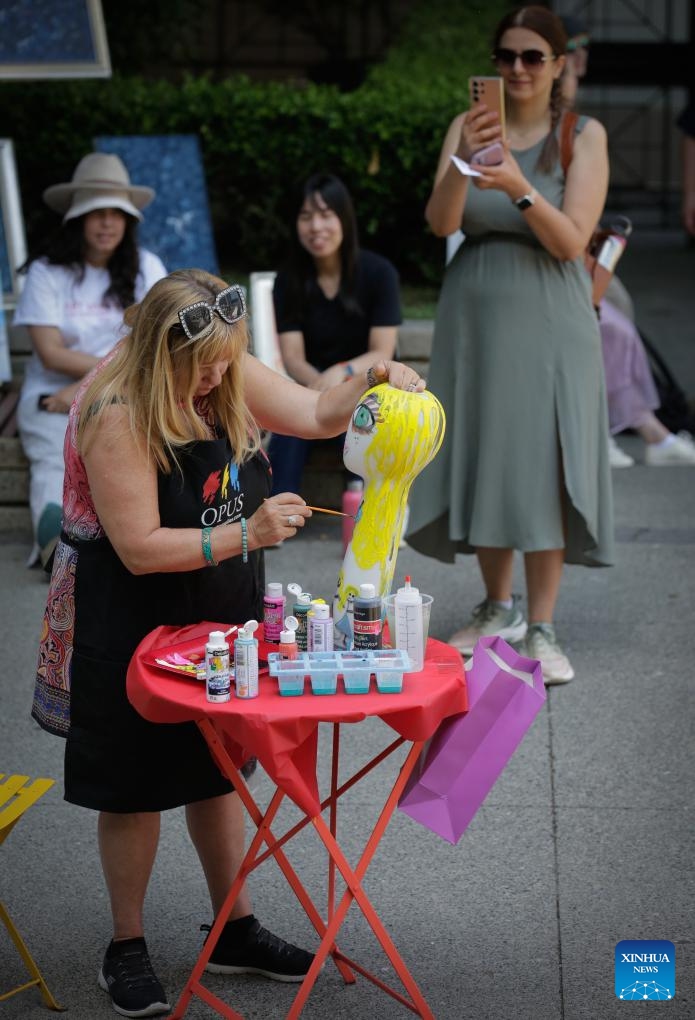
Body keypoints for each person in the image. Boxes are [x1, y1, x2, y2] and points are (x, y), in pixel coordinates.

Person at [31, 267, 424, 1018]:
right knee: (136, 784)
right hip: (128, 603)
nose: (217, 379)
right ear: (157, 355)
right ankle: (127, 945)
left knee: (218, 770)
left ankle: (235, 927)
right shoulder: (116, 407)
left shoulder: (217, 355)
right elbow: (141, 546)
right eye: (201, 368)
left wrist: (375, 375)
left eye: (225, 361)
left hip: (218, 599)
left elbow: (314, 412)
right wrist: (246, 532)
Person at [406, 5, 614, 685]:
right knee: (486, 455)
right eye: (506, 56)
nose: (517, 69)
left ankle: (543, 625)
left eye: (532, 57)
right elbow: (441, 223)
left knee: (542, 463)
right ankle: (496, 607)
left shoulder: (581, 136)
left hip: (550, 315)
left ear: (557, 65)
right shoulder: (465, 128)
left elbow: (572, 239)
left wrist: (520, 186)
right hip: (474, 314)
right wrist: (462, 161)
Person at [14, 153, 167, 568]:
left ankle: (137, 540)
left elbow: (156, 342)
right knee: (53, 457)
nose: (106, 223)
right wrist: (84, 389)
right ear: (76, 219)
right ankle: (56, 546)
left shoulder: (147, 268)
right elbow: (50, 351)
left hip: (123, 394)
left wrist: (85, 388)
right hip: (52, 398)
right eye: (95, 212)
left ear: (128, 220)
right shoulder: (47, 273)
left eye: (116, 213)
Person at [560, 20, 695, 468]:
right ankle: (636, 431)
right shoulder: (547, 115)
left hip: (580, 250)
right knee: (610, 328)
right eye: (572, 50)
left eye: (583, 49)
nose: (581, 58)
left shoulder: (579, 122)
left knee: (619, 317)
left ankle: (630, 427)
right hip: (557, 259)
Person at [268, 173, 401, 495]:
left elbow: (383, 350)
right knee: (288, 421)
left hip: (370, 384)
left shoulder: (379, 273)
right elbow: (293, 357)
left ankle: (372, 506)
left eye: (326, 215)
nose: (316, 227)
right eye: (305, 216)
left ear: (344, 218)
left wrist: (341, 375)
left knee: (361, 417)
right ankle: (275, 509)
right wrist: (319, 392)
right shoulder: (288, 281)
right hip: (312, 386)